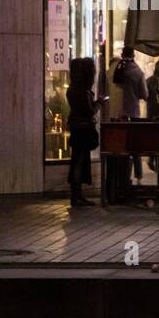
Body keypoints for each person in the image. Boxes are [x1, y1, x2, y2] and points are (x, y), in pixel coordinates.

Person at [112, 45, 149, 187]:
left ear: (122, 54)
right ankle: (138, 176)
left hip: (116, 113)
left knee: (120, 146)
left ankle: (122, 178)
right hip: (133, 113)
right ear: (134, 55)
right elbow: (144, 94)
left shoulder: (115, 69)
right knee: (135, 146)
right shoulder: (138, 72)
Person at [66, 57, 99, 208]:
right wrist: (99, 104)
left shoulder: (72, 90)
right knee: (79, 161)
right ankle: (77, 196)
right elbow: (89, 111)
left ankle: (76, 195)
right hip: (83, 129)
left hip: (75, 128)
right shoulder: (84, 92)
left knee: (76, 160)